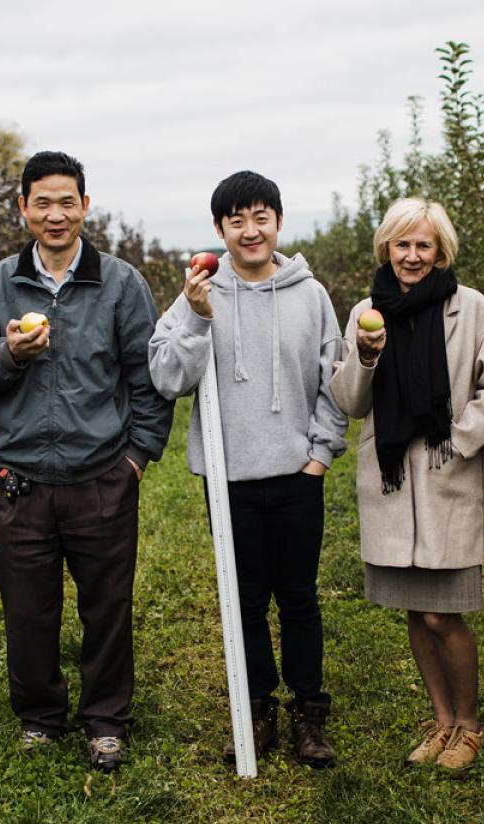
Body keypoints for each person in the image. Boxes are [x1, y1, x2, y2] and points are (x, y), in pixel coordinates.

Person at [0, 151, 173, 773]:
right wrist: (9, 353)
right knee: (28, 610)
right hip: (21, 481)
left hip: (100, 476)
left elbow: (146, 379)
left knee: (107, 607)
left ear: (85, 206)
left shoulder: (121, 283)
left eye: (66, 201)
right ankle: (41, 718)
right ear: (23, 208)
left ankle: (105, 719)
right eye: (41, 202)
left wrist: (135, 459)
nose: (55, 214)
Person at [148, 171, 348, 768]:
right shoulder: (198, 292)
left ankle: (308, 711)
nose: (249, 230)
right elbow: (166, 378)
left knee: (299, 597)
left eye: (260, 217)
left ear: (278, 223)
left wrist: (320, 454)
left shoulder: (310, 295)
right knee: (246, 600)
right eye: (235, 220)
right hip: (227, 477)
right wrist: (197, 316)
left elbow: (332, 382)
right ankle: (255, 704)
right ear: (219, 229)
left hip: (295, 473)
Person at [331, 197, 484, 771]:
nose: (411, 255)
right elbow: (351, 401)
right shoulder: (365, 311)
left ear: (440, 251)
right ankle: (440, 721)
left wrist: (458, 439)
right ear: (387, 247)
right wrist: (364, 356)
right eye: (402, 244)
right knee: (414, 609)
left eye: (423, 245)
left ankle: (470, 725)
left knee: (442, 613)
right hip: (389, 482)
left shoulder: (471, 309)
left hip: (444, 475)